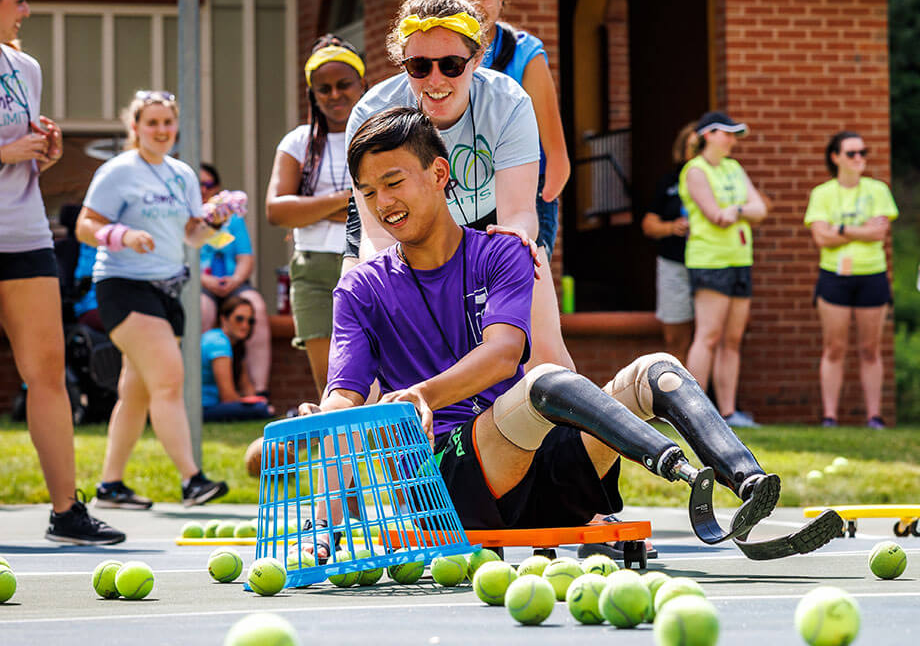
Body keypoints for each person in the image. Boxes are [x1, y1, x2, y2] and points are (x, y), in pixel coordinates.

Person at [301, 108, 837, 561]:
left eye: (393, 182)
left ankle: (748, 488)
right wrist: (327, 457)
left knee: (656, 370)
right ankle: (677, 470)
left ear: (440, 173)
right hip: (443, 486)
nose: (382, 203)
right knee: (546, 384)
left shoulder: (502, 252)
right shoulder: (360, 289)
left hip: (547, 481)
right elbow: (343, 395)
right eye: (368, 192)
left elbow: (503, 353)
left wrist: (422, 392)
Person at [343, 0, 573, 372]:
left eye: (451, 65)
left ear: (477, 58)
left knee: (545, 350)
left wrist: (507, 257)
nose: (435, 81)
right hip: (393, 227)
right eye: (418, 66)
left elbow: (519, 214)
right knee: (369, 335)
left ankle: (572, 427)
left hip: (489, 225)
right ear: (403, 64)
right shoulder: (370, 114)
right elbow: (376, 235)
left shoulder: (507, 103)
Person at [0, 0, 125, 544]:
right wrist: (6, 152)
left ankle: (65, 512)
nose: (26, 7)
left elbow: (26, 155)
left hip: (23, 233)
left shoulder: (26, 68)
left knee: (47, 372)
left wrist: (43, 153)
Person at [76, 89, 229, 508]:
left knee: (137, 393)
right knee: (168, 378)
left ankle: (109, 486)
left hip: (167, 289)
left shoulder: (181, 174)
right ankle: (192, 480)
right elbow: (84, 226)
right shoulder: (119, 171)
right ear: (135, 128)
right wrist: (121, 235)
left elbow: (192, 236)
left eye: (167, 123)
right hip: (123, 285)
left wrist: (218, 220)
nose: (161, 131)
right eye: (152, 123)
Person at [442, 0, 571, 257]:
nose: (473, 5)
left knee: (518, 291)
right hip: (458, 194)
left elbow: (556, 154)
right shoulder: (434, 54)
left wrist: (536, 206)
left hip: (520, 191)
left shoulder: (525, 53)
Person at [265, 35, 365, 397]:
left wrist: (310, 209)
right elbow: (277, 210)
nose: (334, 95)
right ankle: (344, 454)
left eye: (344, 85)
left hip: (367, 264)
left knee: (373, 374)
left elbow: (380, 208)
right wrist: (347, 199)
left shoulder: (378, 135)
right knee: (328, 383)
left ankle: (377, 452)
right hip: (312, 272)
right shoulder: (298, 142)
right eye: (324, 89)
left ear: (362, 84)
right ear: (312, 94)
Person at [679, 111, 767, 427]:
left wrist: (739, 209)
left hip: (740, 259)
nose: (732, 140)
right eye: (726, 133)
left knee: (732, 339)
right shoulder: (695, 170)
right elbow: (716, 215)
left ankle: (728, 413)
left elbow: (759, 209)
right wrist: (738, 211)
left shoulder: (734, 167)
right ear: (708, 135)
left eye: (734, 134)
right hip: (709, 261)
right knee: (708, 336)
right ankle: (691, 412)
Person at [804, 132, 898, 429]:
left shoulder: (878, 189)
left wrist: (841, 228)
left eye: (863, 152)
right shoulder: (822, 193)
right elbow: (821, 238)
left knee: (871, 348)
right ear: (836, 157)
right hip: (834, 276)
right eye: (852, 153)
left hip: (872, 274)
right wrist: (860, 229)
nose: (859, 159)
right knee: (834, 347)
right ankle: (830, 417)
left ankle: (874, 417)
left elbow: (879, 232)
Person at [198, 163, 270, 394]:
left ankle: (259, 391)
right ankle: (202, 389)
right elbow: (181, 261)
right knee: (202, 310)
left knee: (255, 308)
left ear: (217, 189)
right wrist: (205, 281)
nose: (202, 190)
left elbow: (245, 257)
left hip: (233, 283)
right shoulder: (187, 219)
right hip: (199, 285)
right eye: (197, 184)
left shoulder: (233, 219)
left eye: (207, 184)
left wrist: (235, 280)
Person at [643, 122, 697, 357]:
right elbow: (648, 224)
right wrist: (670, 227)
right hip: (675, 264)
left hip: (711, 266)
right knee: (676, 337)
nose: (696, 152)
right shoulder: (670, 182)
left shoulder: (723, 177)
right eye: (693, 146)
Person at [200, 295, 270, 421]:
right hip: (202, 408)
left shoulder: (235, 345)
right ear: (223, 319)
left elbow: (246, 387)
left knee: (261, 406)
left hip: (213, 406)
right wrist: (254, 405)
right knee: (260, 409)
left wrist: (254, 399)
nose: (245, 325)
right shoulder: (218, 343)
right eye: (239, 319)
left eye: (250, 321)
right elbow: (227, 396)